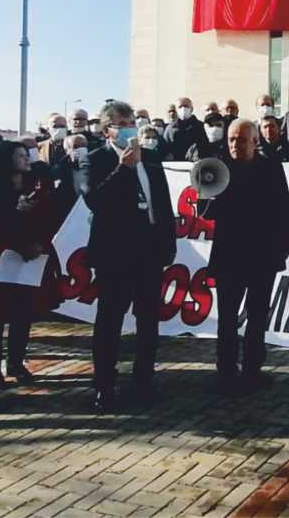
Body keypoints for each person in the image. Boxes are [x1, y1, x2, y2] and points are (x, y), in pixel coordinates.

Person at [81, 101, 177, 411]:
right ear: (107, 128)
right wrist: (123, 168)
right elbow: (94, 200)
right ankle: (104, 385)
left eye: (131, 120)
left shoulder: (150, 158)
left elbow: (162, 204)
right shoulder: (94, 160)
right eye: (122, 122)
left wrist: (168, 243)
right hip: (114, 255)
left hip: (149, 253)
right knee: (110, 322)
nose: (129, 126)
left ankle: (144, 378)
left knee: (148, 319)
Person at [207, 120, 289, 393]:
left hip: (261, 256)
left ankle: (252, 369)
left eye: (241, 140)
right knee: (227, 317)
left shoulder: (269, 167)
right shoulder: (219, 167)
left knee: (257, 316)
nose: (235, 144)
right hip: (229, 257)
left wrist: (283, 248)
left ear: (255, 142)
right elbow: (206, 212)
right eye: (232, 139)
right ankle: (226, 370)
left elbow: (285, 210)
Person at [0, 141, 62, 389]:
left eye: (27, 155)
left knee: (22, 314)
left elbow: (50, 215)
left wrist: (36, 241)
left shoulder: (33, 183)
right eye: (20, 155)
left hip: (32, 255)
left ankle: (15, 362)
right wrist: (16, 216)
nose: (26, 159)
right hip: (2, 255)